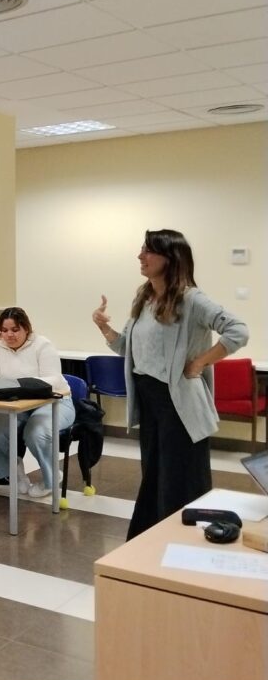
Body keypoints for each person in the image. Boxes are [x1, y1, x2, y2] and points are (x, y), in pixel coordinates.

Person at [93, 229, 248, 539]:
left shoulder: (191, 299)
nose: (140, 256)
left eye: (148, 251)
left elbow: (238, 331)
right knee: (154, 476)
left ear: (170, 257)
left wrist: (201, 362)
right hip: (150, 401)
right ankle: (151, 541)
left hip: (178, 402)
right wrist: (104, 328)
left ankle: (182, 543)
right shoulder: (145, 299)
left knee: (179, 479)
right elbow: (128, 349)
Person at [0, 307, 76, 498]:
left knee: (36, 433)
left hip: (54, 402)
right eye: (4, 330)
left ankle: (51, 478)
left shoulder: (42, 345)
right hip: (18, 404)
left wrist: (17, 385)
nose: (9, 335)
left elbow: (54, 380)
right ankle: (16, 474)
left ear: (26, 329)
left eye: (15, 329)